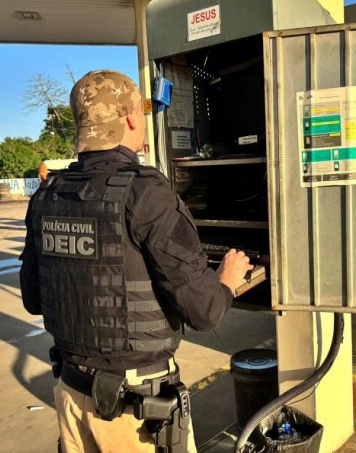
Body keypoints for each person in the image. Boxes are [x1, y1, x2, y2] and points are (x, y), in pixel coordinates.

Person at [19, 69, 253, 453]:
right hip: (135, 415)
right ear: (130, 118)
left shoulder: (47, 195)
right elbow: (204, 311)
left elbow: (33, 299)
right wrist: (227, 279)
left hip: (71, 397)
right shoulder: (146, 193)